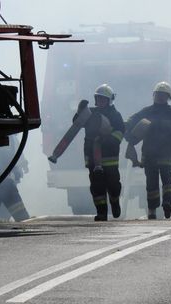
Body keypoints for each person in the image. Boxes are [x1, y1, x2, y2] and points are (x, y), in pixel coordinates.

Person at [125, 82, 171, 219]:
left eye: (163, 95)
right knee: (151, 183)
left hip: (166, 153)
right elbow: (133, 119)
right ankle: (152, 210)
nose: (160, 97)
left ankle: (167, 203)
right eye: (158, 94)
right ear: (154, 95)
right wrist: (127, 126)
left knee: (166, 179)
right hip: (150, 154)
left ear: (168, 97)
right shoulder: (146, 111)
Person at [77, 84, 125, 221]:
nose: (100, 101)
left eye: (103, 99)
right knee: (97, 187)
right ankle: (102, 212)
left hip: (109, 156)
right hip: (92, 156)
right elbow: (76, 124)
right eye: (98, 99)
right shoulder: (90, 113)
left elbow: (120, 132)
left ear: (109, 100)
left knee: (113, 184)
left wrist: (109, 140)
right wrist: (79, 111)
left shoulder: (115, 115)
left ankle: (115, 202)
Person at [0, 135, 30, 222]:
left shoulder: (9, 138)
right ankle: (22, 219)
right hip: (5, 178)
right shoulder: (11, 138)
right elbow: (18, 153)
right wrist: (23, 166)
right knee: (6, 194)